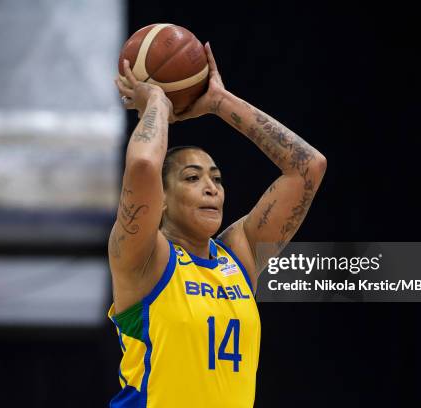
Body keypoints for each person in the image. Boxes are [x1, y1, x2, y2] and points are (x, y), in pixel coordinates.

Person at [108, 42, 327, 408]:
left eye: (217, 179)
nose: (211, 187)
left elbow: (308, 167)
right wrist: (158, 104)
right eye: (192, 178)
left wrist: (219, 102)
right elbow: (144, 166)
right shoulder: (144, 258)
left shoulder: (239, 257)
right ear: (159, 198)